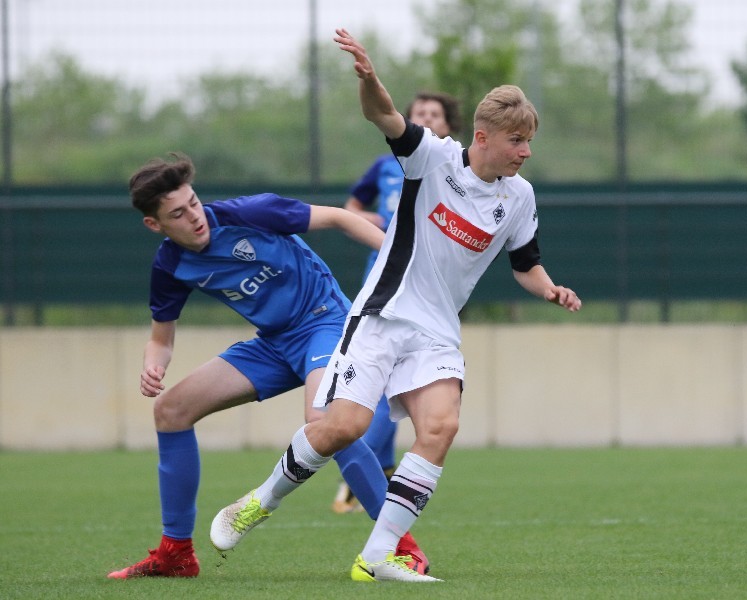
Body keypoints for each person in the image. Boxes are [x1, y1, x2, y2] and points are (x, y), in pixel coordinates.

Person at [209, 28, 582, 583]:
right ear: (482, 137)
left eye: (529, 140)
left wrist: (550, 287)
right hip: (382, 318)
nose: (526, 151)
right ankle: (258, 502)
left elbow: (525, 265)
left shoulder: (519, 196)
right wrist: (369, 79)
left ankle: (378, 555)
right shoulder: (431, 159)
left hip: (435, 334)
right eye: (517, 141)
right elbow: (384, 116)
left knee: (441, 427)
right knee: (343, 427)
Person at [107, 152, 429, 579]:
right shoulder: (170, 265)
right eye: (178, 214)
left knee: (325, 420)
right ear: (155, 224)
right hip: (273, 344)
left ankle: (400, 546)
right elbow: (160, 338)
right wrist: (153, 365)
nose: (194, 217)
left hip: (325, 321)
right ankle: (176, 555)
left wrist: (399, 255)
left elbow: (338, 217)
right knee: (170, 411)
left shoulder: (250, 212)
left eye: (194, 203)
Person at [332, 90, 463, 514]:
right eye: (418, 113)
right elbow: (352, 204)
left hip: (427, 292)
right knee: (379, 384)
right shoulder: (387, 166)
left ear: (449, 125)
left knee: (404, 387)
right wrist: (370, 219)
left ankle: (373, 472)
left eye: (434, 114)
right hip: (383, 285)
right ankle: (368, 472)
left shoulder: (455, 170)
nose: (425, 119)